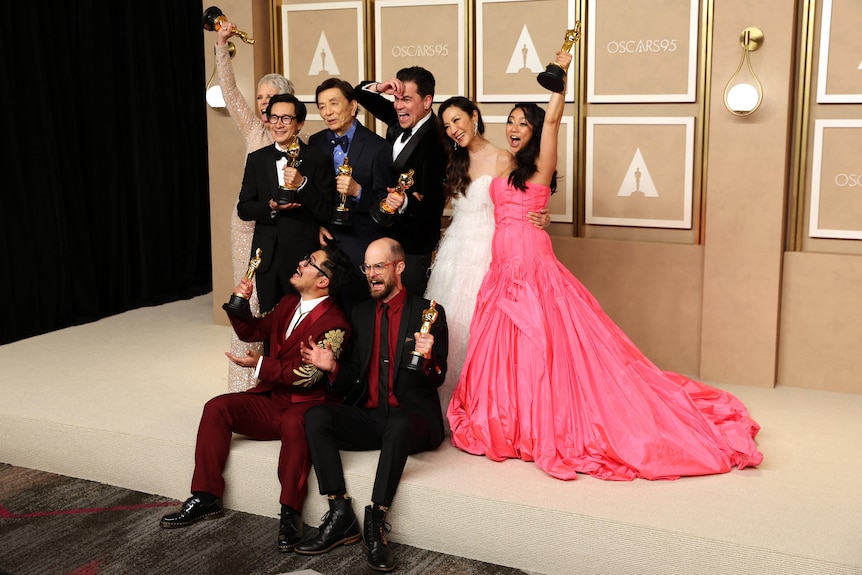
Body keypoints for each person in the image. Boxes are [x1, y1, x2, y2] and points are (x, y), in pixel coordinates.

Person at [447, 50, 764, 481]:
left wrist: (561, 82)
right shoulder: (505, 165)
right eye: (512, 121)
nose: (515, 128)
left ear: (537, 132)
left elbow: (555, 123)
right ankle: (511, 418)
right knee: (506, 349)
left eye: (524, 123)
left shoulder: (542, 165)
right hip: (501, 268)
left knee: (548, 346)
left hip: (533, 267)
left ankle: (545, 419)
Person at [159, 244, 352, 554]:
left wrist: (260, 365)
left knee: (294, 423)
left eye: (310, 261)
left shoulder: (337, 324)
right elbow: (254, 331)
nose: (300, 262)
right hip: (272, 400)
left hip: (307, 407)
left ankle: (290, 514)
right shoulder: (288, 303)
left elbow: (309, 376)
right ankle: (206, 496)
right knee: (217, 407)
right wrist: (239, 304)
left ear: (323, 281)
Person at [294, 238, 448, 573]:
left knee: (399, 423)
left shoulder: (428, 312)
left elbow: (437, 377)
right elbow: (356, 375)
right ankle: (339, 514)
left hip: (412, 419)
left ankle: (376, 522)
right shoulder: (362, 313)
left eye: (379, 266)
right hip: (371, 415)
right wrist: (332, 366)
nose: (371, 274)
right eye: (367, 267)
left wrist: (429, 355)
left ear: (399, 267)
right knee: (316, 415)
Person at [424, 97, 550, 424]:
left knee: (483, 329)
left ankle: (482, 402)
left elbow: (518, 206)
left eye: (457, 121)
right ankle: (448, 404)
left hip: (489, 250)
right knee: (450, 324)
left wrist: (542, 217)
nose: (453, 130)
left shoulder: (502, 158)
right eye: (447, 125)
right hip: (455, 252)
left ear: (474, 117)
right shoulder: (454, 161)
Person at [215, 19, 296, 392]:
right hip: (247, 225)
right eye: (261, 98)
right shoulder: (253, 129)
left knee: (278, 301)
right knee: (247, 296)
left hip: (285, 229)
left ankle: (275, 376)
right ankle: (243, 385)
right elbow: (230, 91)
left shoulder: (300, 138)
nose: (263, 104)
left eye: (270, 98)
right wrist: (221, 45)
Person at [237, 94, 334, 315]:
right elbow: (244, 208)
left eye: (286, 118)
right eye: (274, 118)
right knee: (271, 319)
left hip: (302, 258)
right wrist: (270, 206)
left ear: (299, 123)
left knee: (302, 319)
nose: (278, 124)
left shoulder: (318, 160)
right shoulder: (256, 159)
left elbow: (326, 210)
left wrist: (302, 184)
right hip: (266, 257)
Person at [354, 68, 448, 296]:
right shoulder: (398, 119)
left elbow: (434, 207)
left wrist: (405, 202)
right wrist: (380, 88)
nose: (398, 106)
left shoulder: (437, 141)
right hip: (383, 234)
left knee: (408, 310)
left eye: (406, 99)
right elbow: (359, 93)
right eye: (396, 99)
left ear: (427, 101)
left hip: (414, 244)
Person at [308, 78, 396, 317]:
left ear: (353, 106)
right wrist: (316, 225)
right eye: (322, 106)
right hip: (324, 244)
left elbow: (386, 206)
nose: (327, 112)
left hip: (360, 245)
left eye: (333, 104)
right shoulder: (315, 143)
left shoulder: (378, 148)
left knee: (358, 316)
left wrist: (358, 191)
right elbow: (311, 193)